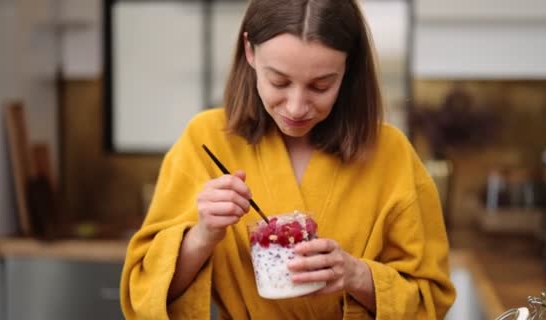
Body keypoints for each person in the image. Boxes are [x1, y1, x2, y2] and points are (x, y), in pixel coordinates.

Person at [120, 0, 456, 319]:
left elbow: (430, 301)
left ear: (348, 66)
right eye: (278, 81)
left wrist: (356, 275)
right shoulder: (205, 139)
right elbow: (145, 295)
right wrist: (202, 235)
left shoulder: (391, 153)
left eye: (321, 86)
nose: (296, 107)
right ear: (250, 51)